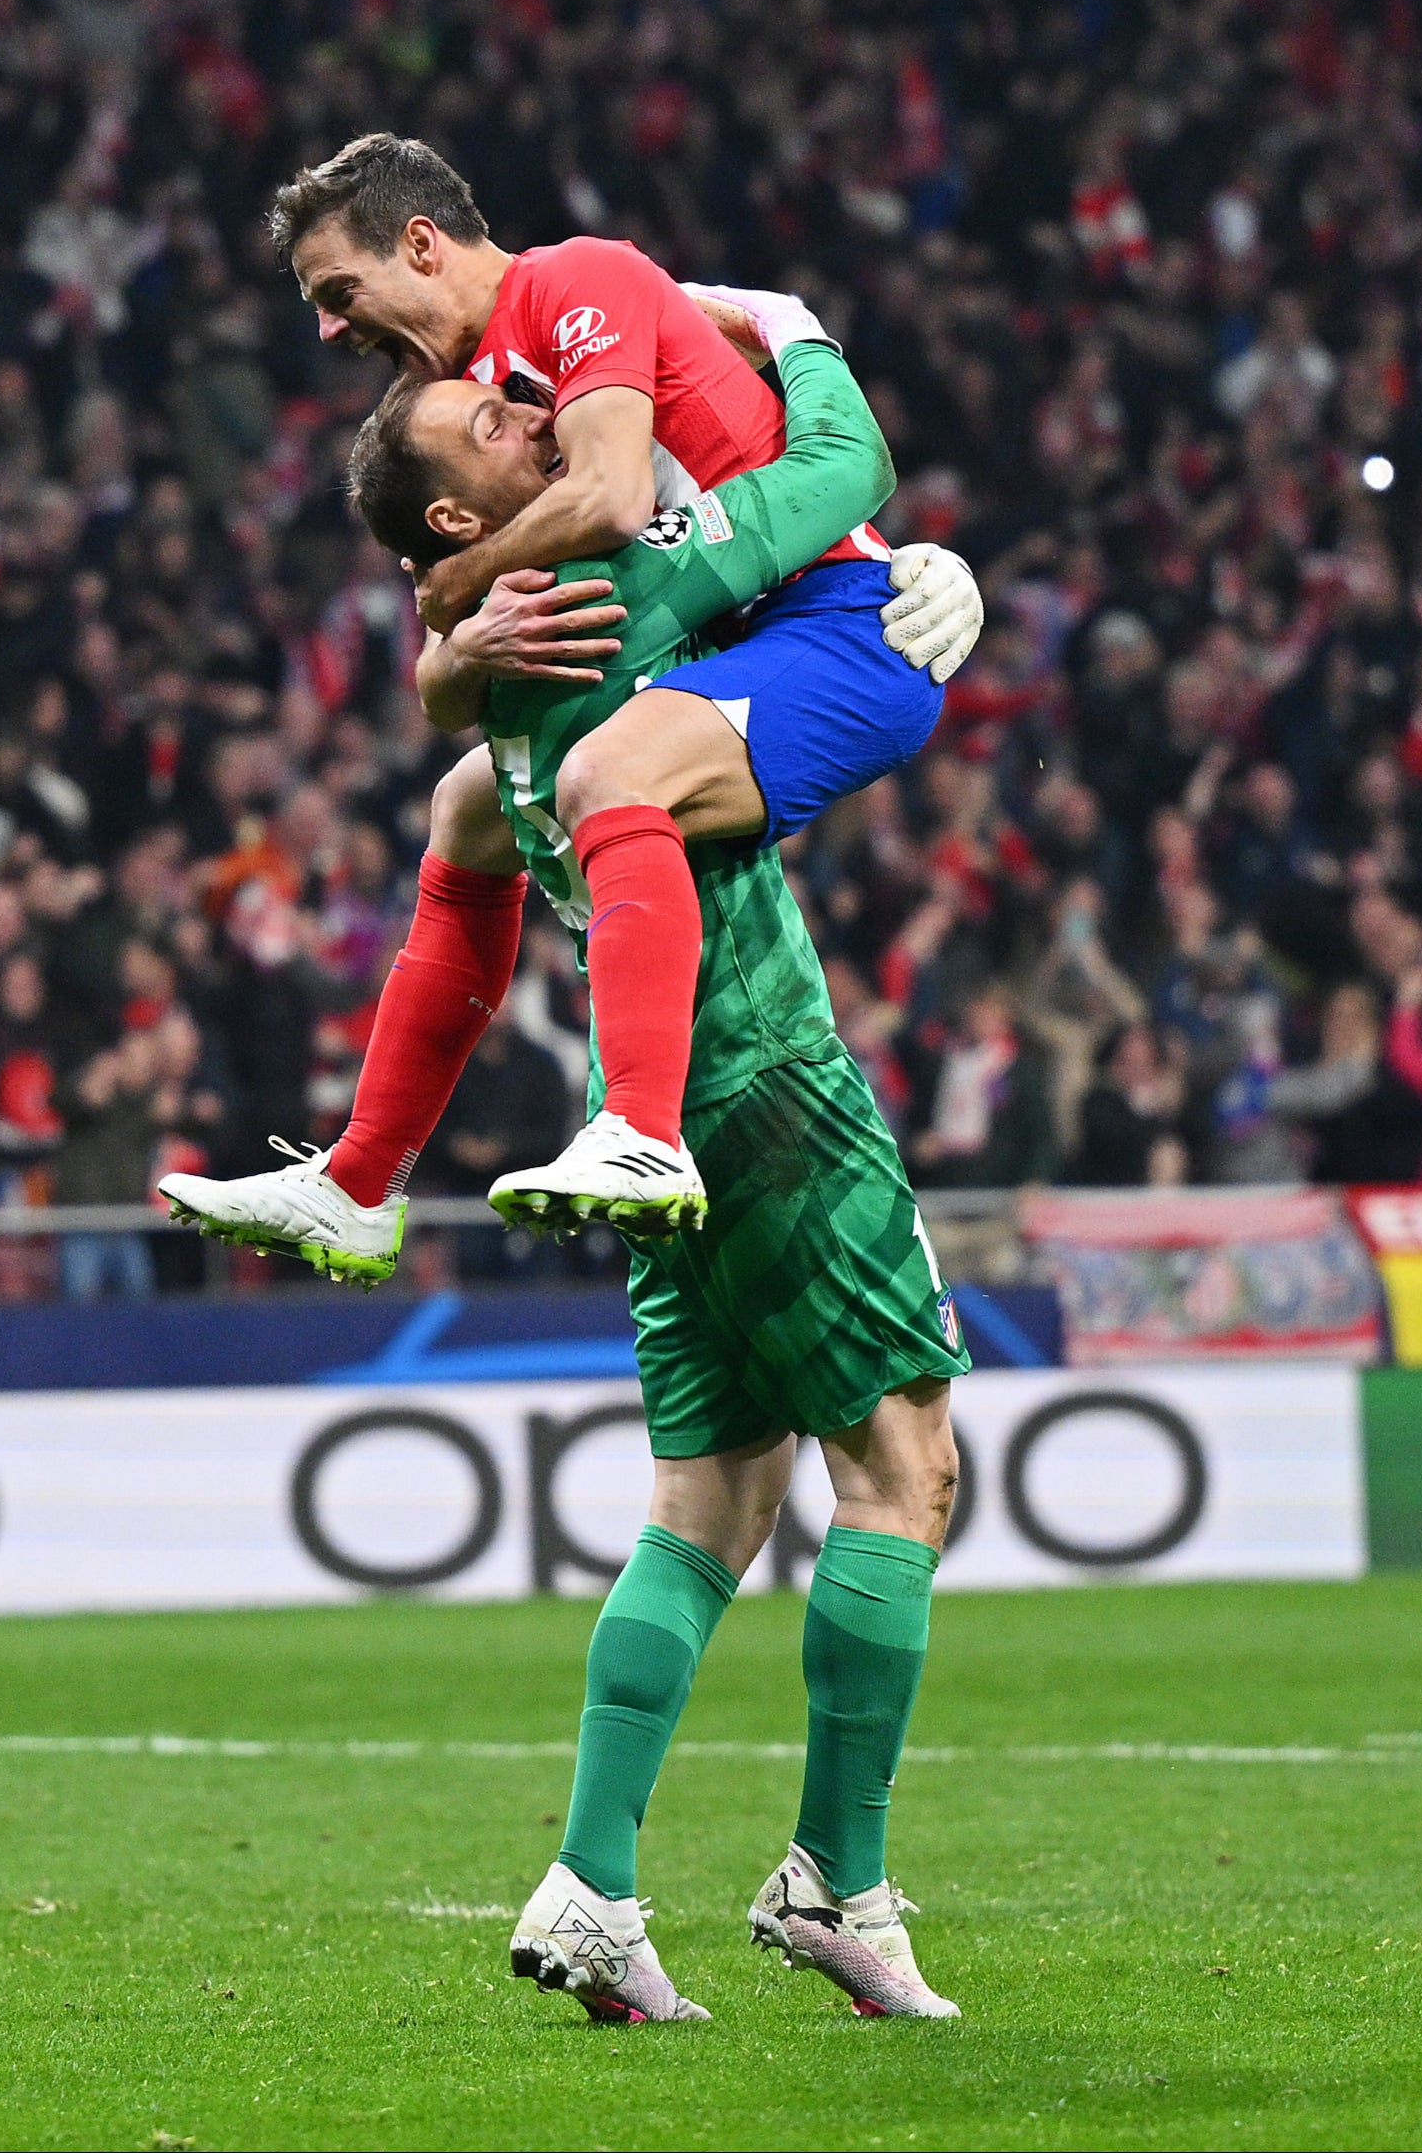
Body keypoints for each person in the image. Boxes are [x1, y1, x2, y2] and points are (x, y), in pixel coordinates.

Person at [359, 300, 970, 2023]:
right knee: (906, 1467)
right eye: (491, 427)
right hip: (763, 1076)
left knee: (712, 1492)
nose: (528, 415)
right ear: (476, 527)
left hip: (655, 1125)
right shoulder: (608, 612)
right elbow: (808, 488)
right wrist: (914, 572)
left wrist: (439, 628)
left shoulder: (503, 729)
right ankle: (833, 1879)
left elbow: (449, 776)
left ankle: (591, 1881)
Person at [164, 135, 983, 1273]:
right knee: (462, 811)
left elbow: (609, 496)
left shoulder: (570, 285)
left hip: (834, 619)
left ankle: (640, 1137)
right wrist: (464, 617)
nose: (327, 330)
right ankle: (356, 1184)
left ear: (418, 245)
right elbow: (444, 676)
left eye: (336, 292)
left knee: (608, 772)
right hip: (719, 631)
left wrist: (459, 587)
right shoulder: (451, 409)